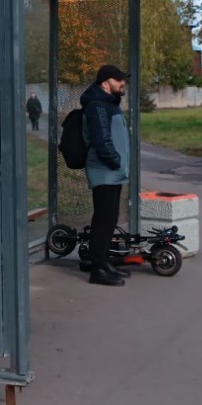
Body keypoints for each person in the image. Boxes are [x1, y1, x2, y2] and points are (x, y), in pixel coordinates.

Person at [80, 64, 131, 287]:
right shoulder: (98, 105)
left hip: (113, 172)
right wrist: (115, 161)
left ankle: (103, 262)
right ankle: (98, 270)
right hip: (105, 172)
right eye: (118, 79)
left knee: (109, 218)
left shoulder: (109, 103)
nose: (122, 83)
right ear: (105, 83)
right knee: (103, 220)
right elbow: (101, 140)